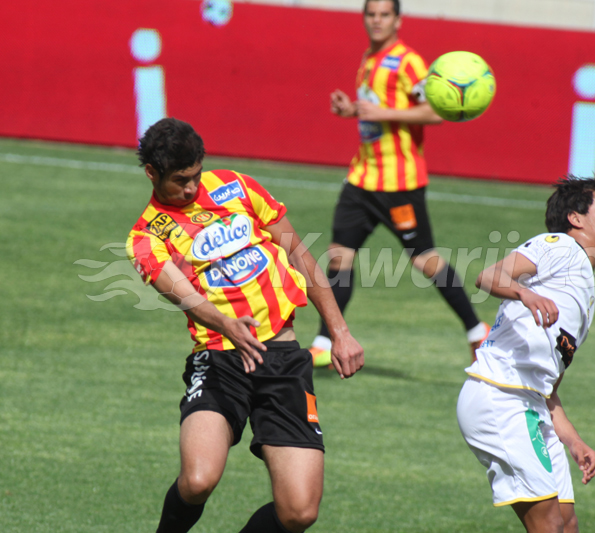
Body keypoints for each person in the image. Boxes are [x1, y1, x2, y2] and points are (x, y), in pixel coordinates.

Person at [126, 118, 364, 533]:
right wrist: (227, 324)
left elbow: (299, 256)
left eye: (196, 175)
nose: (191, 188)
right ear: (152, 173)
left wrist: (339, 330)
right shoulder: (146, 236)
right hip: (219, 361)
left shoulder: (236, 186)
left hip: (284, 359)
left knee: (299, 511)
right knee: (199, 480)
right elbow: (186, 297)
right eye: (181, 180)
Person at [310, 0, 488, 366]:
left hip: (399, 184)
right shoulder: (369, 59)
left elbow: (436, 111)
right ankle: (324, 344)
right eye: (371, 14)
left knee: (425, 260)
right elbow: (373, 112)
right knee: (339, 257)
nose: (376, 21)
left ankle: (476, 330)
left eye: (384, 15)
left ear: (398, 20)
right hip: (362, 178)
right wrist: (352, 110)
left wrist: (381, 112)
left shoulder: (408, 62)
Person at [456, 176, 595, 533]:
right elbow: (489, 276)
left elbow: (548, 390)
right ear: (577, 219)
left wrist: (574, 441)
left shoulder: (584, 294)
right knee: (547, 524)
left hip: (531, 407)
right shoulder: (559, 245)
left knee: (566, 522)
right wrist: (524, 294)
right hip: (498, 397)